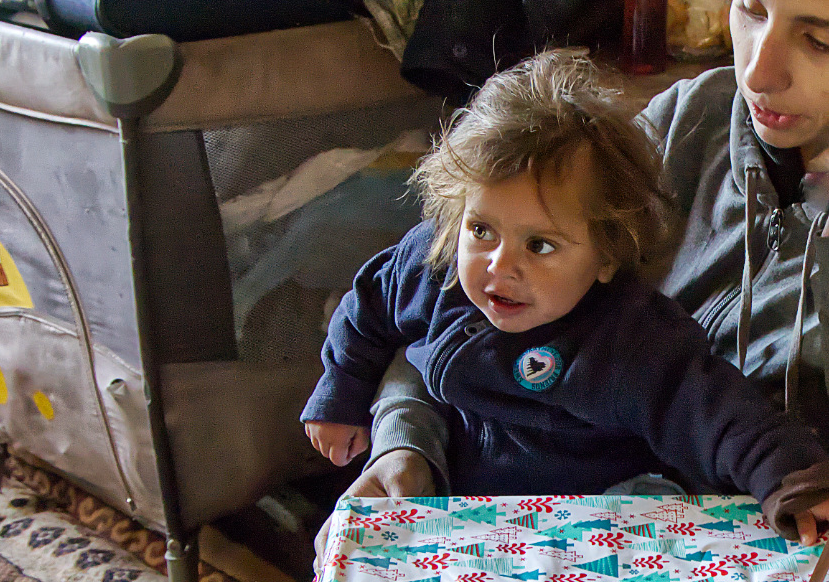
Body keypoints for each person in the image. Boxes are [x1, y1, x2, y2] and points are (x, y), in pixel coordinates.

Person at [300, 49, 829, 559]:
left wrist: (793, 482)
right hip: (463, 505)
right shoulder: (434, 263)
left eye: (539, 245)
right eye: (481, 229)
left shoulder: (631, 336)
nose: (500, 265)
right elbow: (367, 309)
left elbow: (719, 413)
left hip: (598, 513)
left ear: (607, 256)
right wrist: (341, 393)